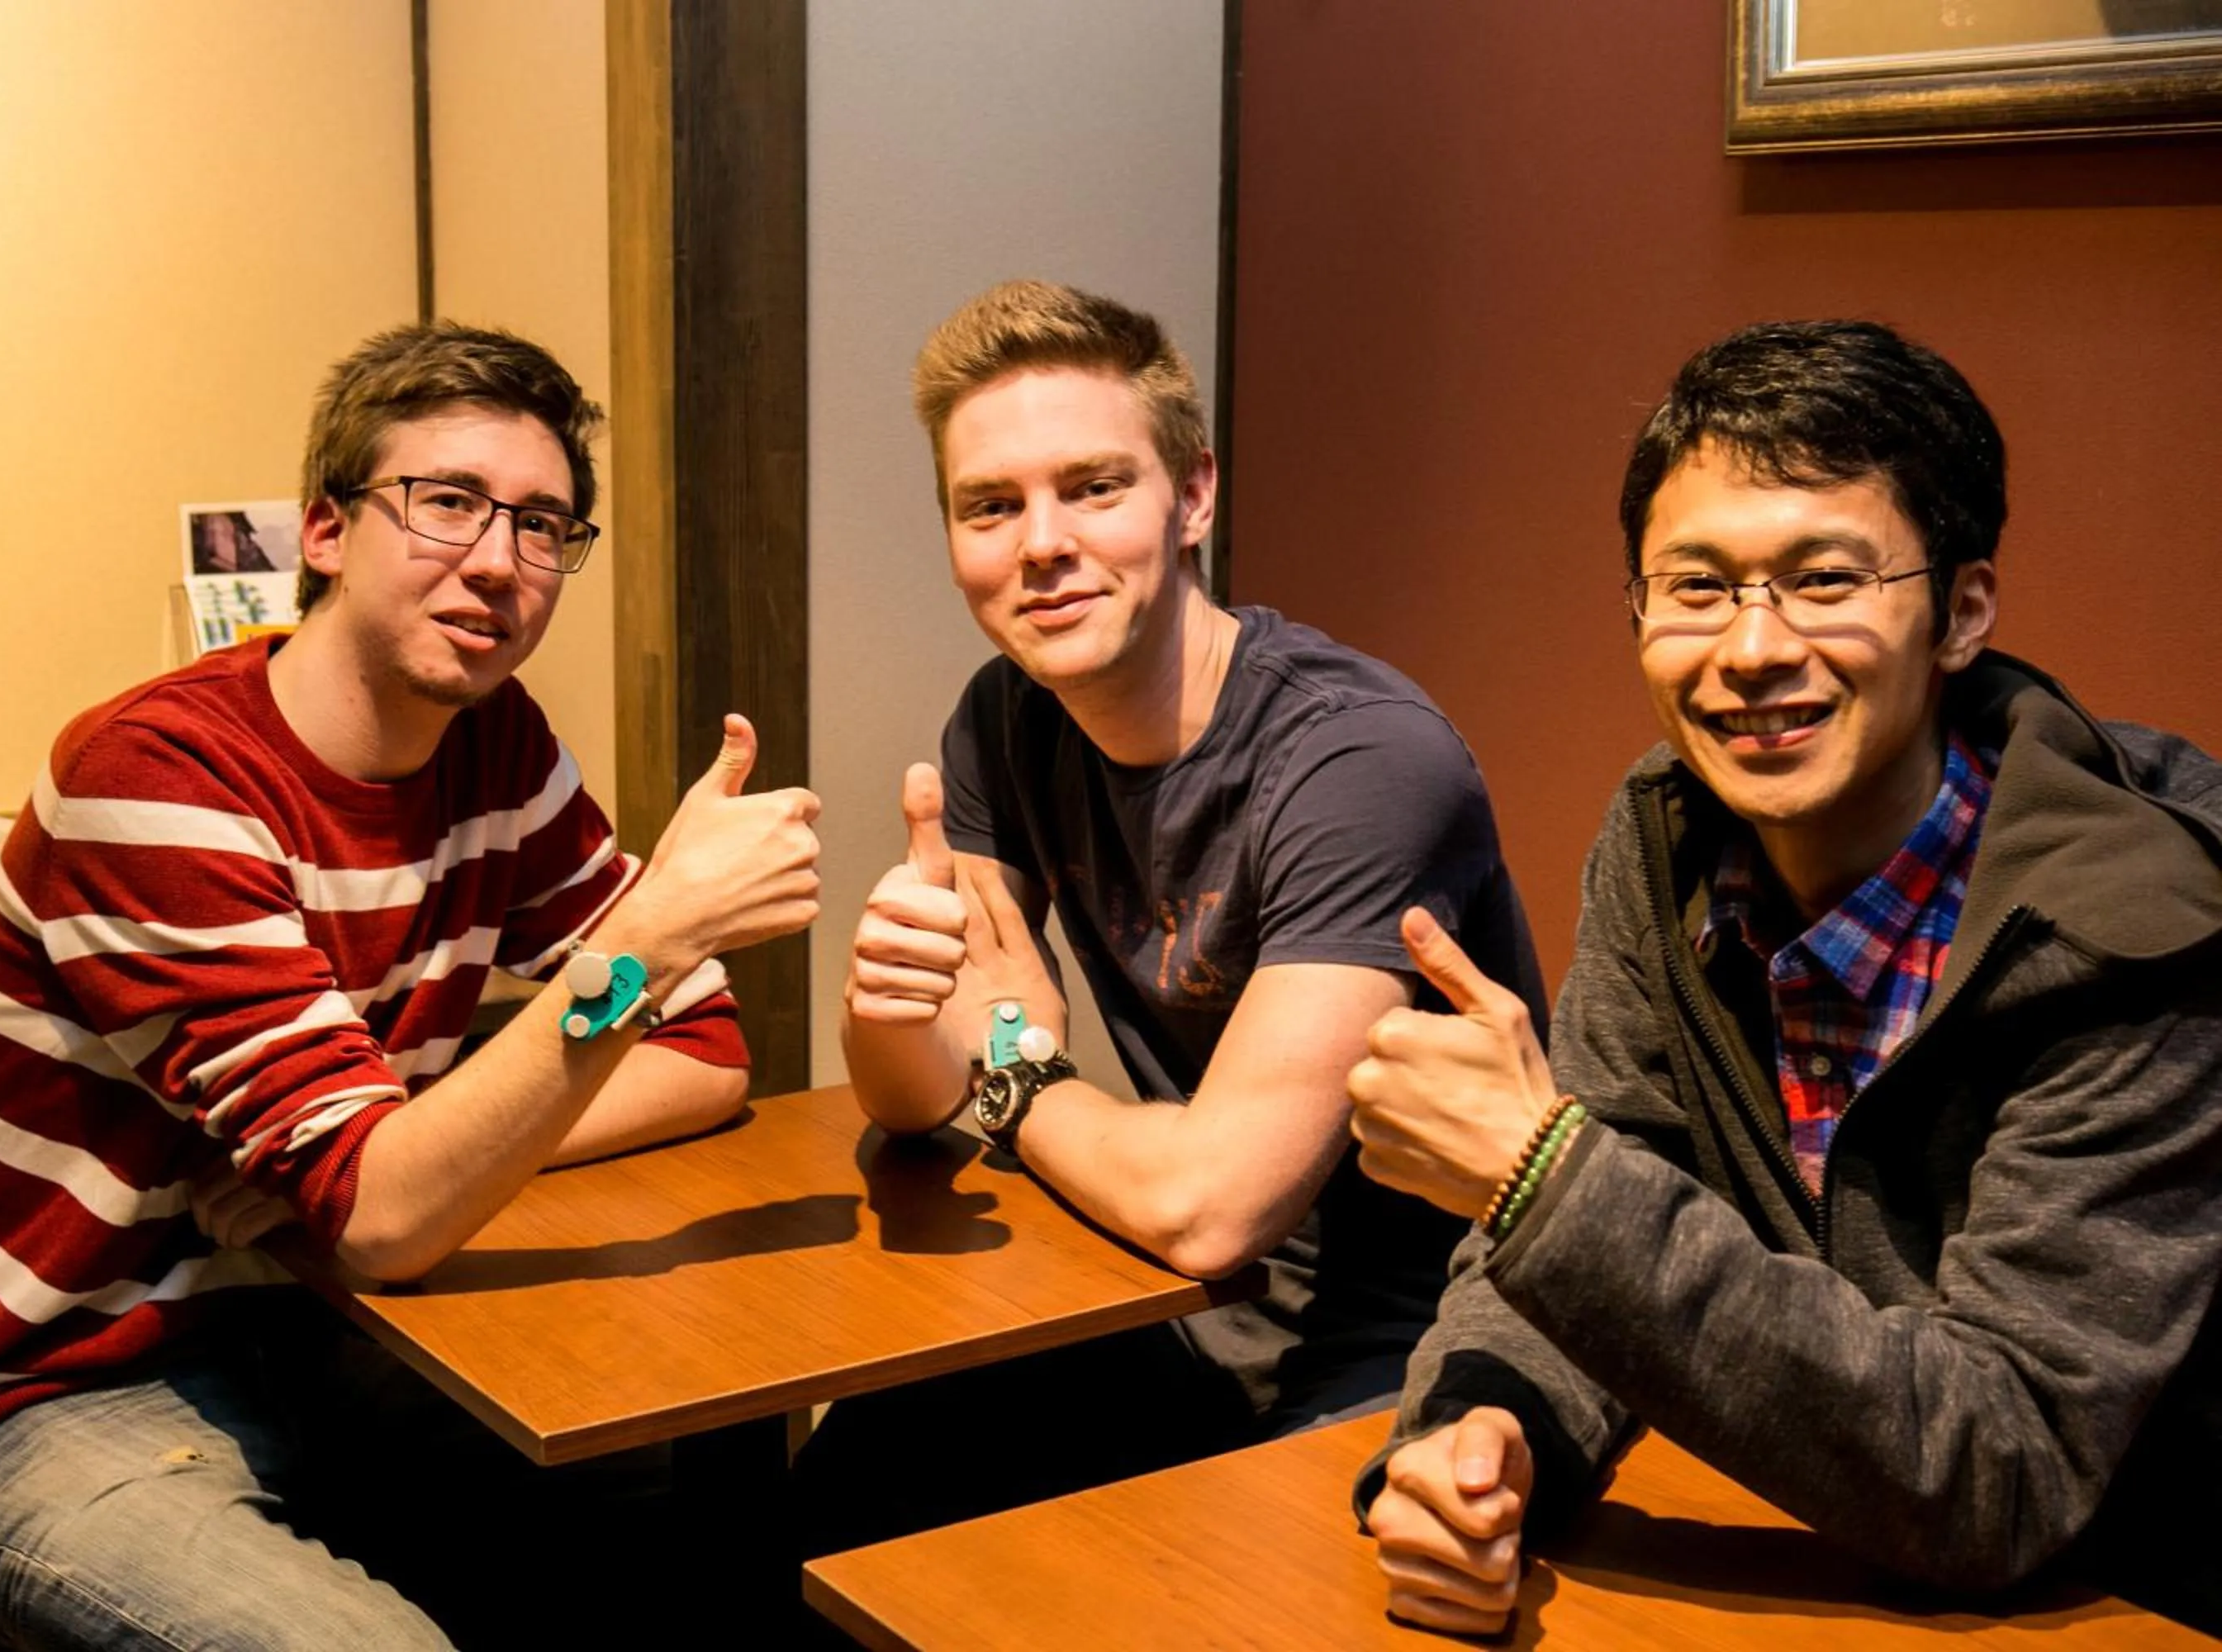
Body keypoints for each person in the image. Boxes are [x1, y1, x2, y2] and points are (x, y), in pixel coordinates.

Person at [0, 323, 824, 1648]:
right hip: (35, 1398)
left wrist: (417, 1161)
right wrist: (622, 964)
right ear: (322, 533)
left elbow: (701, 1053)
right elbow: (387, 1211)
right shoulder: (157, 779)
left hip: (328, 1334)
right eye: (448, 503)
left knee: (730, 1545)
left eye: (544, 526)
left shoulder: (497, 751)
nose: (498, 560)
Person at [1346, 320, 2222, 1635]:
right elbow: (1617, 1197)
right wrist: (1484, 1433)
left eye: (1824, 580)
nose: (1751, 650)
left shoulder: (2136, 929)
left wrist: (1535, 1173)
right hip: (1820, 1569)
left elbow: (2003, 1471)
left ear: (1962, 611)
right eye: (1695, 586)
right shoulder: (1670, 838)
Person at [801, 279, 1544, 1550]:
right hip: (1167, 1298)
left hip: (1410, 1343)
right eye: (992, 506)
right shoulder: (1006, 718)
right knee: (838, 1497)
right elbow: (917, 1090)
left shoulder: (1358, 758)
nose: (1040, 544)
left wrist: (1017, 1078)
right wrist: (887, 996)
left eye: (1093, 487)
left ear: (1193, 494)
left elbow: (1210, 1200)